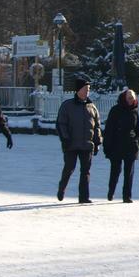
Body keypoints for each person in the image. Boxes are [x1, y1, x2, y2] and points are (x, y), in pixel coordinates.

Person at [57, 75, 102, 204]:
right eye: (85, 89)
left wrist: (97, 141)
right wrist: (65, 139)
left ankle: (84, 197)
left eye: (88, 89)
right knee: (69, 168)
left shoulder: (92, 107)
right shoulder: (67, 106)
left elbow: (97, 125)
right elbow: (61, 124)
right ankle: (62, 188)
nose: (87, 91)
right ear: (78, 90)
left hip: (87, 145)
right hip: (71, 144)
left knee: (85, 172)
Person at [103, 88, 139, 202]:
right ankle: (111, 191)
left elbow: (138, 129)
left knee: (129, 172)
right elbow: (109, 130)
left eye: (133, 98)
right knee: (115, 171)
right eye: (129, 98)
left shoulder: (135, 111)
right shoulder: (115, 110)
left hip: (131, 145)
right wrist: (106, 147)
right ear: (124, 99)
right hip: (116, 145)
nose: (132, 100)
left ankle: (127, 196)